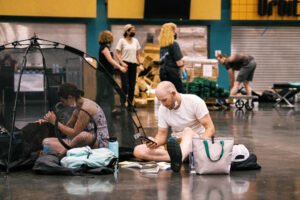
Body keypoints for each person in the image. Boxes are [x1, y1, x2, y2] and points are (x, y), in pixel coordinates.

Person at [133, 81, 215, 172]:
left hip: (196, 142)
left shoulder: (194, 101)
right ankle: (178, 158)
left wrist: (200, 145)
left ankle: (179, 158)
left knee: (187, 131)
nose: (163, 104)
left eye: (164, 100)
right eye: (160, 101)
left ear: (173, 93)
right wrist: (154, 142)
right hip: (177, 145)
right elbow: (161, 136)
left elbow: (210, 128)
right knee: (138, 150)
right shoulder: (162, 109)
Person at [37, 83, 109, 156]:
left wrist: (56, 122)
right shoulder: (77, 107)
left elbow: (75, 133)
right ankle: (69, 152)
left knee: (83, 135)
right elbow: (67, 129)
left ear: (70, 97)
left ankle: (63, 153)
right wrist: (49, 121)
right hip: (78, 142)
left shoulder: (86, 108)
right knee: (46, 142)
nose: (64, 105)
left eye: (63, 101)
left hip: (97, 142)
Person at [115, 24, 144, 111]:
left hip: (133, 65)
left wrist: (141, 63)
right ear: (127, 32)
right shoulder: (122, 41)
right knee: (124, 85)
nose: (133, 32)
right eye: (132, 31)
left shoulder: (135, 41)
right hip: (125, 64)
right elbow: (117, 53)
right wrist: (122, 63)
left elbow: (138, 54)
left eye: (134, 31)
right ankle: (122, 105)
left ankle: (130, 105)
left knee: (132, 85)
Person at [97, 30, 127, 114]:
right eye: (110, 36)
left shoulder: (107, 47)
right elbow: (110, 60)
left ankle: (113, 109)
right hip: (103, 73)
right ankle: (95, 110)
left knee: (110, 91)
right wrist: (120, 67)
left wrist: (121, 64)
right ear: (107, 37)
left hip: (109, 73)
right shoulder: (104, 48)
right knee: (100, 92)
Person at [159, 23, 187, 93]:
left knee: (167, 94)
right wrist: (183, 71)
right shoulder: (174, 45)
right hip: (172, 74)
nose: (176, 33)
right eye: (175, 31)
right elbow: (179, 61)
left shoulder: (162, 46)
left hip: (163, 73)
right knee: (179, 93)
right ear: (171, 32)